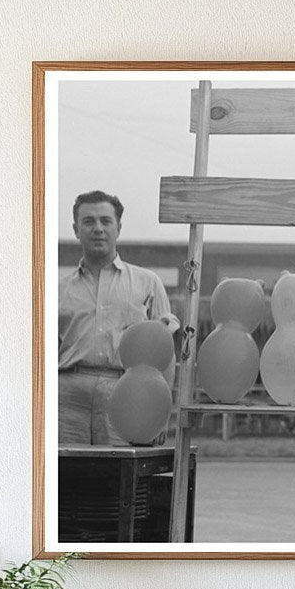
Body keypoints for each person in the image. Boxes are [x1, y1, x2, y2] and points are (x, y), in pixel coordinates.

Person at [58, 190, 179, 445]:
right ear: (76, 229)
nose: (98, 229)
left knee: (117, 477)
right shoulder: (57, 290)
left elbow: (165, 356)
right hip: (66, 399)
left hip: (126, 393)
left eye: (106, 221)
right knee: (66, 477)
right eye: (88, 221)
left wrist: (159, 415)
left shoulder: (148, 283)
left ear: (119, 228)